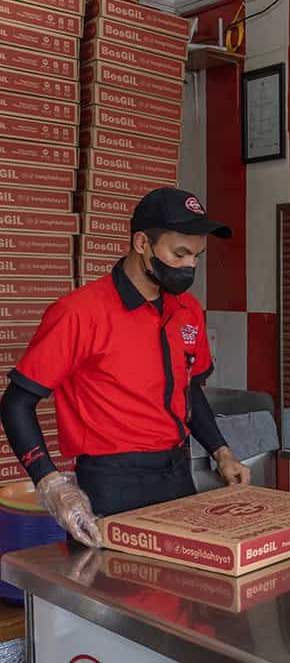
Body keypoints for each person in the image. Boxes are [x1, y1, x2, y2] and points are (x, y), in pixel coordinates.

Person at [0, 188, 251, 548]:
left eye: (197, 256)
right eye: (179, 253)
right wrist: (51, 483)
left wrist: (221, 451)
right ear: (141, 243)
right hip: (112, 486)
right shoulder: (80, 313)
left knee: (182, 596)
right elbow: (16, 404)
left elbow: (189, 390)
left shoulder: (187, 311)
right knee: (115, 598)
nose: (190, 266)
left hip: (178, 477)